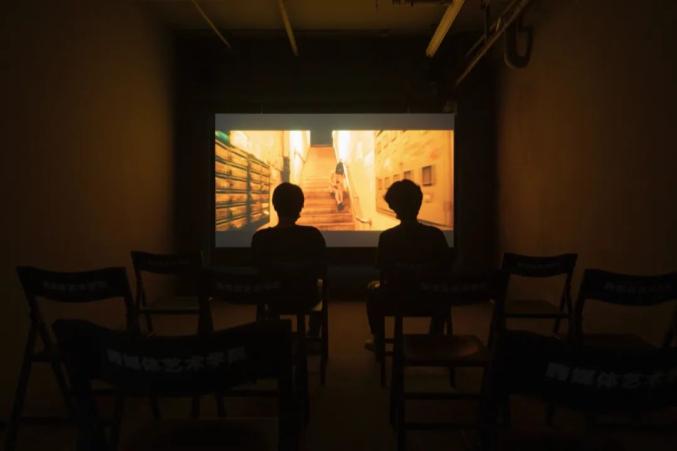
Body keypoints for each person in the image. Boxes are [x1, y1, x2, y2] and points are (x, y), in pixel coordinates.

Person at [365, 179, 450, 350]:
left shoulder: (387, 237)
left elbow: (383, 268)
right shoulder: (436, 235)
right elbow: (445, 267)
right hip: (432, 297)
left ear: (395, 207)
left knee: (371, 288)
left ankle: (378, 338)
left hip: (397, 298)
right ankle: (435, 335)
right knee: (442, 294)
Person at [252, 182, 326, 333]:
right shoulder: (312, 235)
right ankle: (312, 333)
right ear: (300, 206)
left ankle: (273, 331)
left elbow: (258, 270)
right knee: (322, 286)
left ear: (274, 206)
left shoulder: (260, 238)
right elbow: (322, 270)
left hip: (271, 296)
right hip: (305, 296)